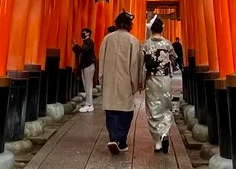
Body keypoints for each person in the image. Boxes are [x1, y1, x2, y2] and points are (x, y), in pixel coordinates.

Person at [99, 10, 141, 154]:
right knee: (125, 112)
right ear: (127, 25)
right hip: (125, 81)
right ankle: (121, 141)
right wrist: (136, 84)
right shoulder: (133, 41)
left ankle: (113, 138)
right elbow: (135, 64)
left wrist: (102, 79)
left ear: (117, 24)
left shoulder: (107, 39)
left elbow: (102, 61)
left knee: (111, 111)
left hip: (110, 80)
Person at [143, 16, 178, 153]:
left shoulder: (146, 44)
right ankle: (164, 132)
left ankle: (157, 141)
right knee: (165, 107)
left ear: (151, 29)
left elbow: (141, 63)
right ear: (162, 29)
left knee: (152, 109)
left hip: (152, 79)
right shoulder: (168, 44)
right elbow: (174, 57)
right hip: (165, 79)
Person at [73, 28, 97, 113]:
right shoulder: (85, 42)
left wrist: (76, 45)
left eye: (84, 32)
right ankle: (88, 103)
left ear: (88, 34)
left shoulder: (90, 42)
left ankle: (89, 104)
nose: (82, 33)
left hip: (89, 65)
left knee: (88, 85)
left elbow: (83, 51)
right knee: (86, 85)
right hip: (85, 66)